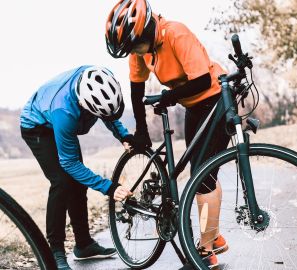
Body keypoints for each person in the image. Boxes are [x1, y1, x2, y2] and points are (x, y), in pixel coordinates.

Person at [105, 0, 230, 268]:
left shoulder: (176, 32)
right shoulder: (139, 51)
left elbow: (202, 81)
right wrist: (141, 131)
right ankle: (214, 237)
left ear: (147, 30)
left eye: (135, 45)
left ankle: (206, 251)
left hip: (214, 100)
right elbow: (136, 91)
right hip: (191, 106)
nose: (135, 53)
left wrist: (169, 96)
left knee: (203, 176)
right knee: (202, 172)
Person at [20, 66, 136, 270]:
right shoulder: (63, 111)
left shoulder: (100, 80)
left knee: (79, 183)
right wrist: (108, 188)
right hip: (38, 126)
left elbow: (108, 113)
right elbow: (69, 163)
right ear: (83, 103)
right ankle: (54, 253)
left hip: (59, 117)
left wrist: (123, 136)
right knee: (62, 182)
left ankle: (84, 245)